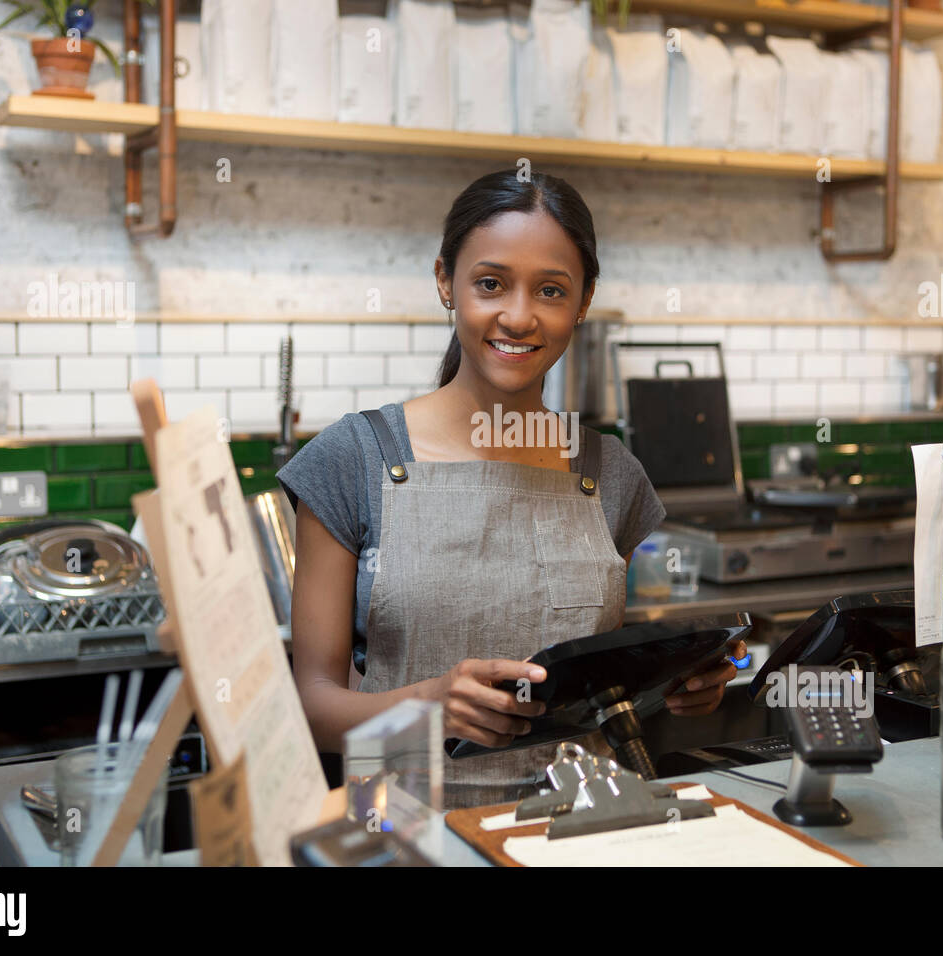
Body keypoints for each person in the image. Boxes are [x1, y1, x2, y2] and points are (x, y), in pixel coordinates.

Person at [277, 169, 746, 806]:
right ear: (446, 282)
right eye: (491, 283)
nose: (519, 316)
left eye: (551, 290)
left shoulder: (609, 473)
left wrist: (678, 686)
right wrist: (427, 706)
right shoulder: (352, 459)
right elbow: (310, 706)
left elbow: (600, 686)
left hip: (580, 825)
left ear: (582, 303)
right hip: (403, 829)